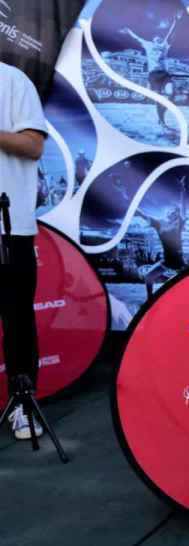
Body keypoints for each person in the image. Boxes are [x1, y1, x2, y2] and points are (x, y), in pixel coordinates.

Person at [1, 62, 47, 441]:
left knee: (16, 318)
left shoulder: (12, 80)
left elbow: (33, 146)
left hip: (8, 226)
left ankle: (22, 405)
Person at [120, 10, 183, 131]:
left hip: (165, 74)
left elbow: (170, 33)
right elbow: (136, 38)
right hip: (153, 75)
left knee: (171, 95)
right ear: (153, 40)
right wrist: (129, 32)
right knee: (158, 99)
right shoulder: (148, 44)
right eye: (156, 38)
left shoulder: (164, 45)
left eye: (160, 38)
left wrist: (176, 21)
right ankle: (162, 120)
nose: (158, 39)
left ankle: (162, 115)